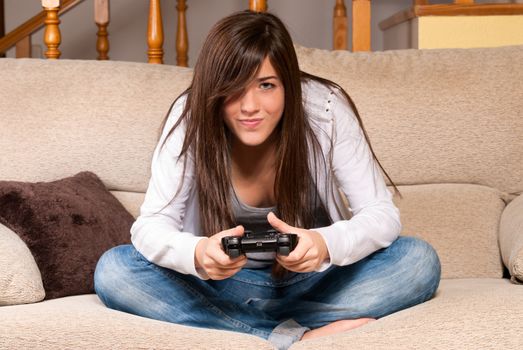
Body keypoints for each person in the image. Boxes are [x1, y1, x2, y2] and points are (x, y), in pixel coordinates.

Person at [94, 10, 441, 350]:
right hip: (223, 287)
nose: (250, 106)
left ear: (289, 86)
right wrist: (199, 253)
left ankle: (235, 331)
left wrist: (324, 244)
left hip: (314, 283)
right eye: (235, 88)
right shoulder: (190, 117)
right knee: (115, 270)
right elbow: (150, 226)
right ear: (214, 90)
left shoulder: (325, 110)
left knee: (418, 261)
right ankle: (293, 336)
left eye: (266, 86)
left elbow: (381, 214)